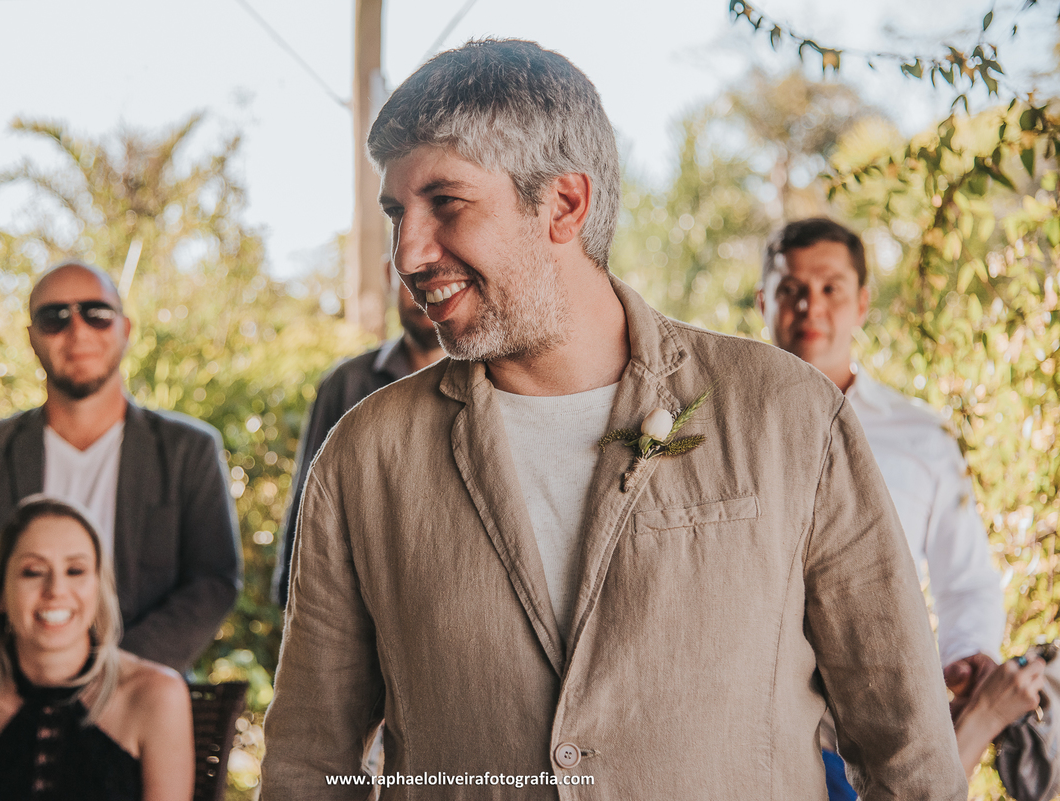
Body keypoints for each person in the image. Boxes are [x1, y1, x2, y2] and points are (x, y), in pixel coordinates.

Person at [261, 38, 966, 799]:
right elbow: (310, 760)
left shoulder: (787, 413)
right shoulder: (363, 457)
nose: (408, 250)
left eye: (446, 204)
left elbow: (906, 749)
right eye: (397, 211)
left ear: (565, 203)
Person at [755, 217, 1016, 789]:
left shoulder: (923, 439)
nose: (810, 307)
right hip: (753, 734)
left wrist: (966, 658)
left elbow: (966, 581)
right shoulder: (729, 430)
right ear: (763, 301)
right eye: (791, 289)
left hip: (878, 731)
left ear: (863, 302)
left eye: (830, 288)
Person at [0, 262, 241, 673]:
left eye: (97, 314)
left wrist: (116, 673)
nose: (78, 332)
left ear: (124, 329)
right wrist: (13, 670)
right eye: (54, 318)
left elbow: (214, 579)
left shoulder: (189, 450)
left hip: (143, 697)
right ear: (32, 338)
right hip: (12, 697)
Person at [0, 496, 194, 801]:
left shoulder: (157, 697)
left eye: (75, 570)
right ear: (0, 594)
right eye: (33, 571)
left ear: (99, 588)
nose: (55, 590)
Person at [272, 276, 444, 608]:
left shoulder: (495, 382)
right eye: (411, 276)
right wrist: (291, 598)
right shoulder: (346, 383)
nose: (423, 289)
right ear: (388, 275)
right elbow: (309, 501)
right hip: (358, 612)